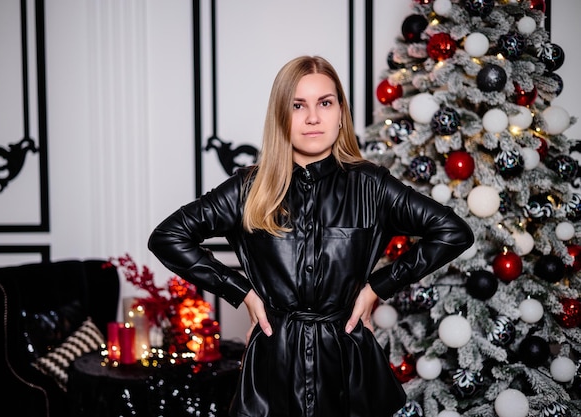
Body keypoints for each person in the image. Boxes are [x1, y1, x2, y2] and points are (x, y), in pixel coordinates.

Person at [148, 55, 474, 417]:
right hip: (272, 367)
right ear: (281, 117)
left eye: (325, 103)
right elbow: (168, 237)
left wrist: (377, 287)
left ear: (340, 113)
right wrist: (242, 293)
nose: (313, 117)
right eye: (298, 105)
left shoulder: (371, 185)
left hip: (349, 365)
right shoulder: (247, 189)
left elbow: (453, 232)